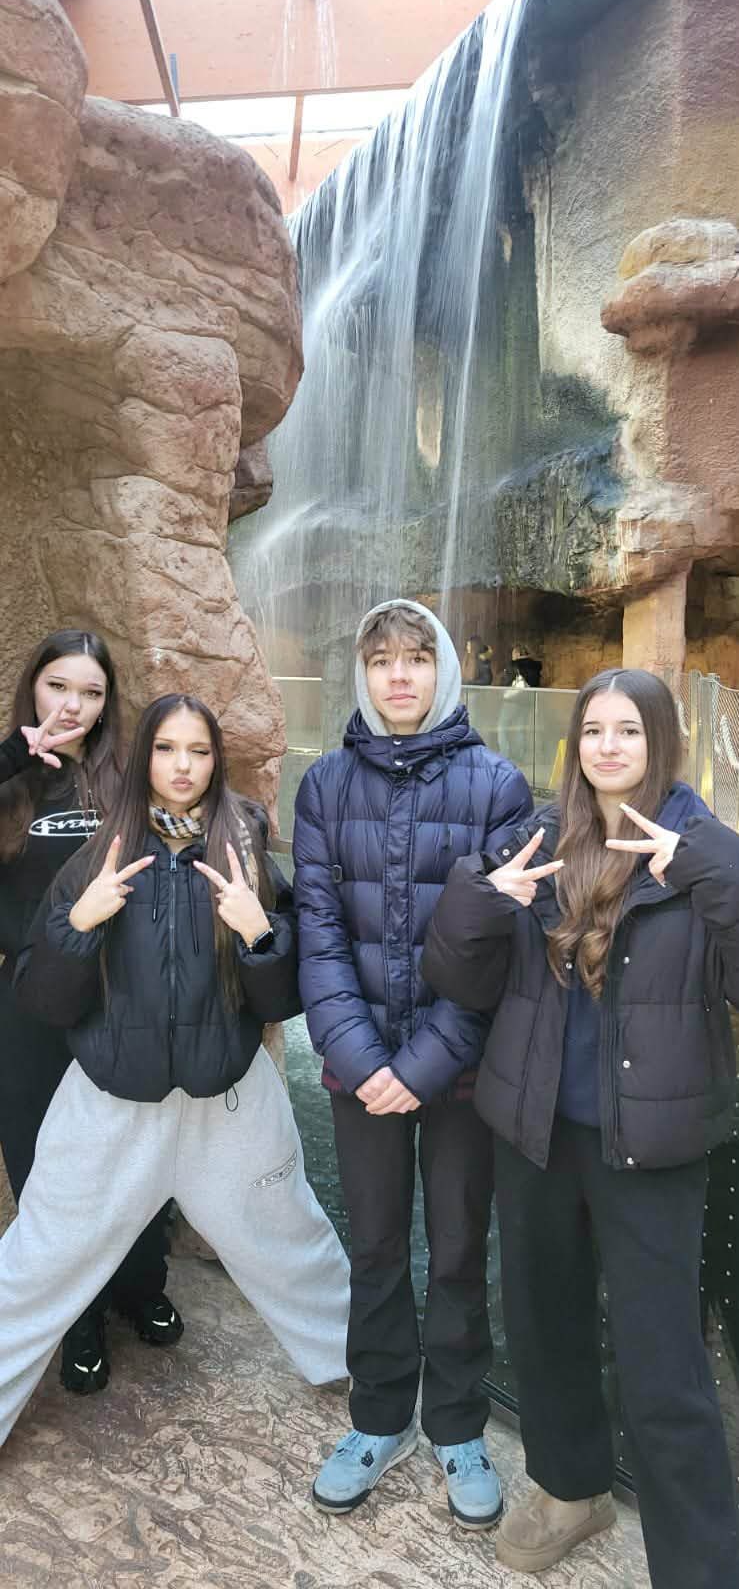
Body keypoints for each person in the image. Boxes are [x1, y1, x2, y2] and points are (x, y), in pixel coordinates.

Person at [422, 667, 739, 1588]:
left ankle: (700, 1563)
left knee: (662, 1363)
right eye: (593, 729)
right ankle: (570, 1488)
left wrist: (705, 869)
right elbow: (455, 977)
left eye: (628, 730)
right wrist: (479, 900)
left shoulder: (703, 848)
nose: (608, 746)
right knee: (543, 1326)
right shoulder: (537, 841)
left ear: (661, 742)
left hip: (651, 1145)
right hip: (536, 1134)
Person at [0, 693, 349, 1448]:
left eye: (198, 750)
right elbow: (43, 998)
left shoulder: (245, 847)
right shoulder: (100, 850)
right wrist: (78, 924)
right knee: (37, 1259)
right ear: (143, 758)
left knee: (294, 1241)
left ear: (216, 759)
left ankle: (368, 1377)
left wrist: (259, 936)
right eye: (165, 748)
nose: (182, 766)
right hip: (110, 1100)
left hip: (228, 1101)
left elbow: (281, 1001)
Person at [293, 599, 532, 1528]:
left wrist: (422, 1065)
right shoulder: (323, 786)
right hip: (357, 1070)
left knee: (461, 1248)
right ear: (362, 674)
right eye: (381, 659)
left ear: (444, 670)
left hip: (461, 1072)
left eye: (417, 657)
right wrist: (360, 1061)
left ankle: (458, 1425)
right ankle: (378, 1415)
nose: (399, 675)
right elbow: (318, 936)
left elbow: (496, 954)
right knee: (377, 1244)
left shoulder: (496, 786)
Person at [0, 630, 182, 1395]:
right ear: (33, 688)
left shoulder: (123, 780)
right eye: (58, 686)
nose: (72, 705)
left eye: (91, 692)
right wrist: (15, 754)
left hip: (114, 1002)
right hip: (30, 1005)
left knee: (129, 1156)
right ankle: (75, 1314)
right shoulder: (11, 783)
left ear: (109, 704)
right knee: (43, 1162)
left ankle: (138, 1283)